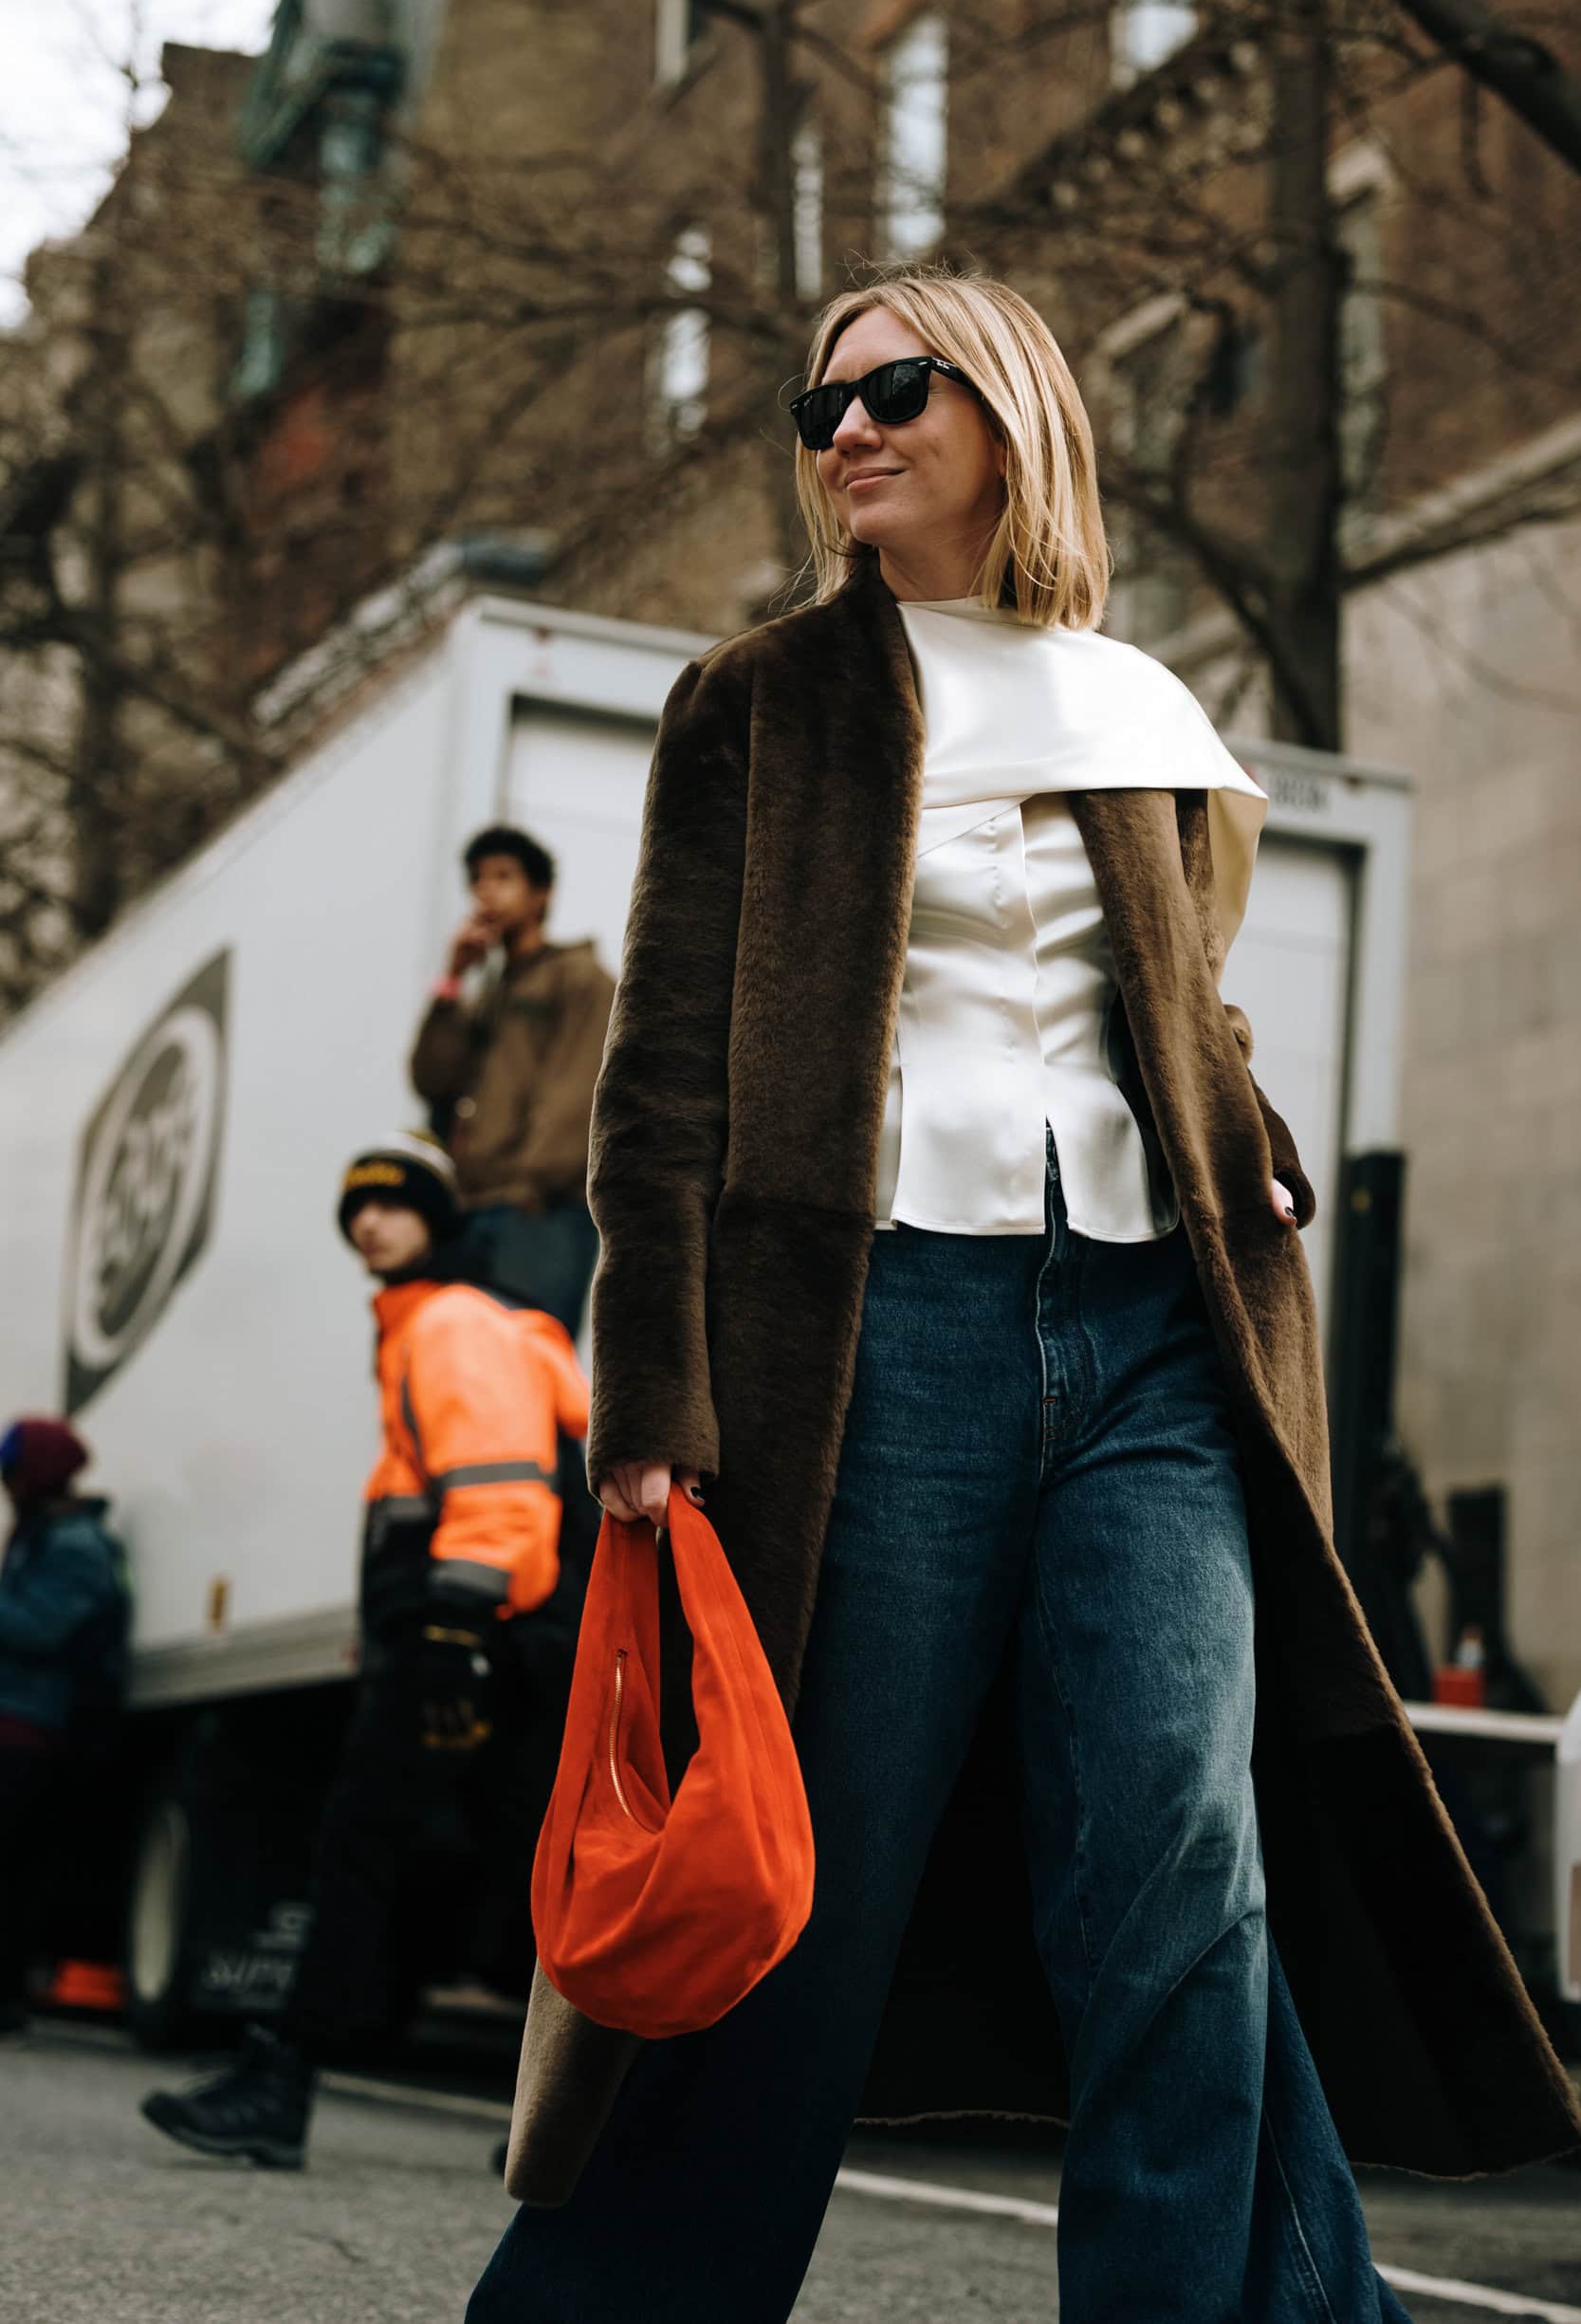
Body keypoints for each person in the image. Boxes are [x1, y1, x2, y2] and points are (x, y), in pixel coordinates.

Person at [470, 273, 1581, 2323]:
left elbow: (1173, 1000)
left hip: (1153, 1341)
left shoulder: (1127, 707)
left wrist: (1242, 1121)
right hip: (884, 1339)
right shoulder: (761, 701)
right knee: (796, 1883)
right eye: (819, 406)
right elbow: (663, 1074)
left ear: (1008, 411)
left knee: (1181, 1860)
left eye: (894, 388)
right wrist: (653, 1399)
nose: (846, 430)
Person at [141, 1135, 593, 2168]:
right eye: (356, 1210)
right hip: (493, 1640)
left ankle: (281, 2083)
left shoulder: (450, 1323)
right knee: (526, 1869)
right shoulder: (433, 1322)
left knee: (363, 1846)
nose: (370, 1224)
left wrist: (451, 1631)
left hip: (471, 1639)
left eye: (395, 1205)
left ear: (439, 1219)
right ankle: (580, 2113)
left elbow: (500, 1486)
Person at [410, 825, 616, 1340]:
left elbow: (576, 1095)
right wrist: (452, 978)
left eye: (503, 877)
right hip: (473, 1212)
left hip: (539, 1214)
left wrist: (530, 1188)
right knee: (459, 1368)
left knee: (524, 1368)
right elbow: (431, 1079)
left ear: (541, 894)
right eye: (478, 880)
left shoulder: (580, 978)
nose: (486, 891)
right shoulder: (488, 993)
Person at [0, 1416, 129, 2032]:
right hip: (24, 1723)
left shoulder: (76, 1546)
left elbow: (40, 1629)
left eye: (12, 1474)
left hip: (33, 1728)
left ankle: (7, 1992)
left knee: (15, 1866)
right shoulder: (47, 1535)